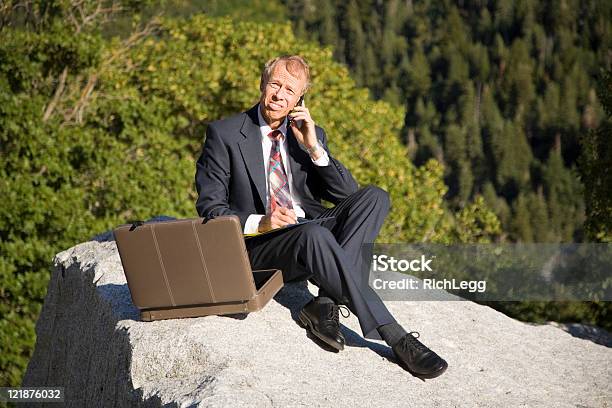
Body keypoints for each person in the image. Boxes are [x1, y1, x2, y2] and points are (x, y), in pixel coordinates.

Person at [195, 55, 448, 379]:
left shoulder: (308, 134)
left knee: (375, 197)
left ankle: (325, 302)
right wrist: (263, 221)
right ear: (262, 84)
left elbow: (347, 197)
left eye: (290, 90)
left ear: (300, 99)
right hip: (262, 244)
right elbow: (210, 208)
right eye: (275, 85)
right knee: (314, 236)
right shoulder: (225, 134)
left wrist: (314, 149)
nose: (279, 95)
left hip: (309, 228)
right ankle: (393, 334)